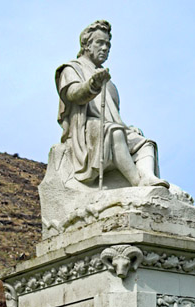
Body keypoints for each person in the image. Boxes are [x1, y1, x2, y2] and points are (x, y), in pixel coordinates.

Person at [55, 20, 168, 188]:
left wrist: (127, 128)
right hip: (85, 130)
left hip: (108, 127)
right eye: (99, 43)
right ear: (86, 45)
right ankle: (137, 183)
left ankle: (148, 176)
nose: (105, 48)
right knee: (115, 132)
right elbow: (73, 94)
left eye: (108, 44)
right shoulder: (71, 69)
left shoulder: (110, 85)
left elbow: (113, 116)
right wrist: (92, 85)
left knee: (144, 142)